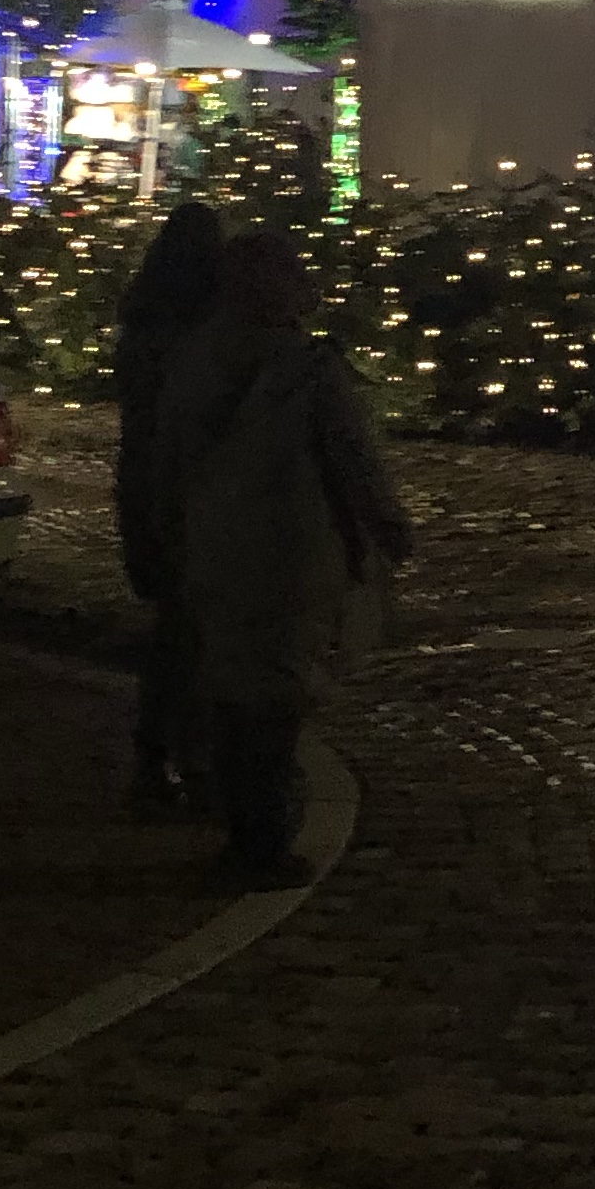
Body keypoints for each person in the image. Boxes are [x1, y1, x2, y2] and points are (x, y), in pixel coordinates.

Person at [157, 223, 412, 889]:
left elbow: (169, 457)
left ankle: (242, 824)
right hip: (291, 547)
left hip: (216, 541)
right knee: (277, 695)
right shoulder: (307, 370)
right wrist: (388, 527)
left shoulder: (193, 359)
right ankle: (263, 843)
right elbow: (352, 456)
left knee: (232, 684)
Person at [112, 198, 225, 813]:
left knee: (173, 630)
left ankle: (157, 757)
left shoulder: (142, 324)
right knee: (195, 636)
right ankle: (188, 758)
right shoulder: (203, 335)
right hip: (191, 492)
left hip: (145, 485)